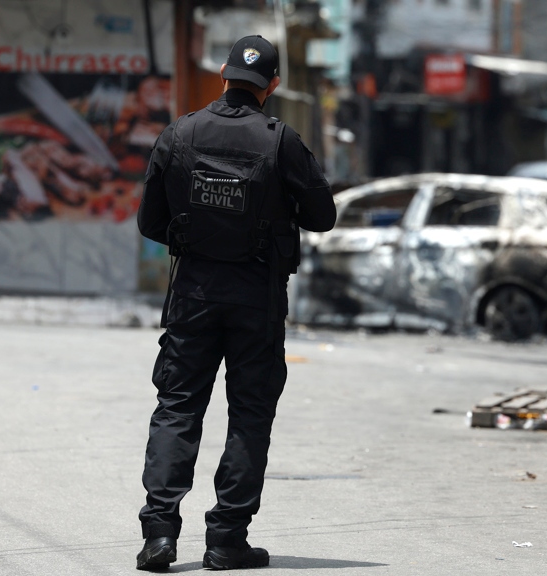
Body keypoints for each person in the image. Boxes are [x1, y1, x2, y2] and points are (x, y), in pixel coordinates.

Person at [134, 35, 336, 571]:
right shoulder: (281, 142)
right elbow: (323, 216)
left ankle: (159, 537)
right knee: (249, 414)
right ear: (272, 85)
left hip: (193, 295)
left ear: (223, 76)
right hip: (257, 298)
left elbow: (149, 221)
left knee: (178, 407)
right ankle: (226, 540)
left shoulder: (180, 133)